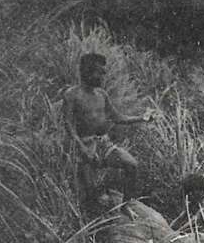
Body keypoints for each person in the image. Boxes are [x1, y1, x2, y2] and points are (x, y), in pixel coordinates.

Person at [63, 53, 152, 201]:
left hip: (103, 143)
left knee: (132, 165)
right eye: (100, 72)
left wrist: (141, 118)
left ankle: (127, 205)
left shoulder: (101, 94)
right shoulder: (72, 95)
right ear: (87, 71)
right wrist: (82, 148)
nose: (103, 76)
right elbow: (69, 125)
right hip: (84, 145)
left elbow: (117, 117)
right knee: (95, 198)